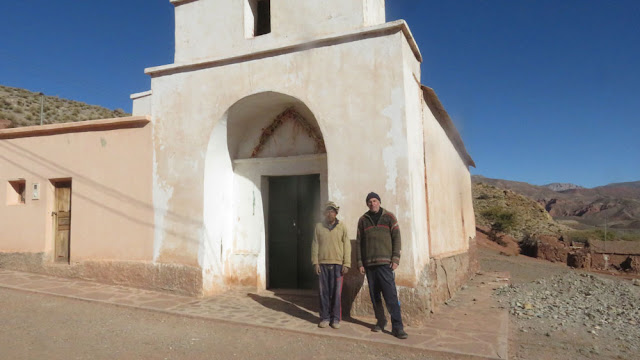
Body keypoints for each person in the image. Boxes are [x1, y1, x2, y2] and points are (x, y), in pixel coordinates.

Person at [356, 192, 408, 339]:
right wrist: (360, 263)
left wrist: (395, 258)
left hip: (385, 265)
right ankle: (381, 321)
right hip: (369, 266)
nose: (372, 203)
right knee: (374, 296)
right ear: (367, 204)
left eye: (374, 200)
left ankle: (398, 327)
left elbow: (397, 238)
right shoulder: (362, 220)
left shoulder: (389, 217)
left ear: (379, 202)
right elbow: (359, 243)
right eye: (369, 201)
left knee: (390, 296)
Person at [311, 201, 351, 329]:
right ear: (324, 213)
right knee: (323, 292)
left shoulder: (342, 227)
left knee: (336, 293)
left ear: (336, 213)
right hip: (322, 264)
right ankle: (324, 318)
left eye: (332, 211)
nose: (330, 213)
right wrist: (315, 262)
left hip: (338, 265)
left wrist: (347, 263)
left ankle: (335, 319)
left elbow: (347, 245)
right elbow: (315, 245)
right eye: (328, 211)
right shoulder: (318, 227)